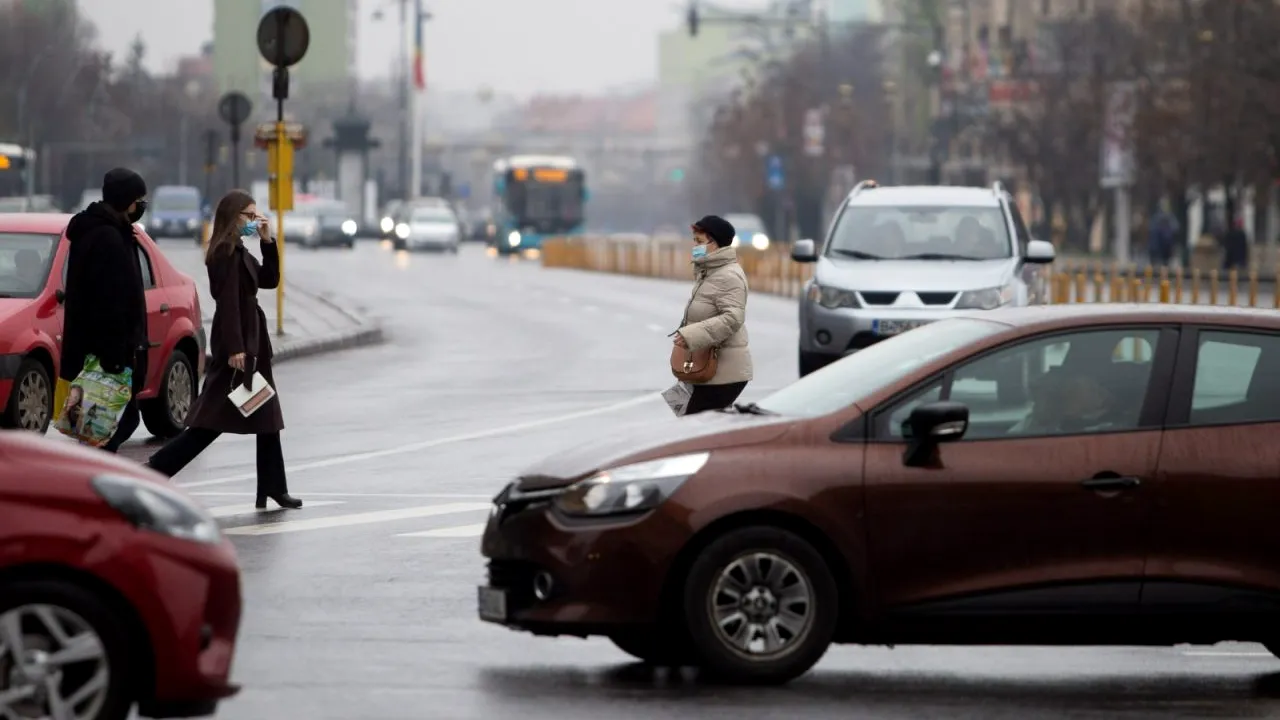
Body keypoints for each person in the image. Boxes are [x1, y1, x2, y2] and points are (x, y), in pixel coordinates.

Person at [145, 190, 302, 510]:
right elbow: (228, 303)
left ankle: (272, 486)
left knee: (267, 417)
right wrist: (234, 348)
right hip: (239, 344)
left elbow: (269, 280)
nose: (254, 222)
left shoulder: (240, 250)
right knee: (209, 424)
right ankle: (156, 469)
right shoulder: (225, 254)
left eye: (256, 216)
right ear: (232, 218)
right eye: (249, 216)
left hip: (251, 341)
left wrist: (267, 241)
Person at [61, 168, 149, 453]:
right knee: (111, 426)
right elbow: (109, 300)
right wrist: (114, 356)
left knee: (103, 426)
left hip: (98, 349)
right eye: (138, 199)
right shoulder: (107, 238)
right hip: (106, 353)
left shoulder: (109, 232)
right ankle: (94, 484)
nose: (141, 206)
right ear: (126, 200)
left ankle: (94, 478)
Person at [674, 215, 753, 415]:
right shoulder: (709, 272)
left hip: (723, 372)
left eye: (700, 242)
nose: (695, 246)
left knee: (693, 423)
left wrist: (691, 335)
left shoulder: (729, 276)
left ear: (716, 244)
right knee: (680, 410)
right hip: (702, 365)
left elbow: (733, 318)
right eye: (694, 241)